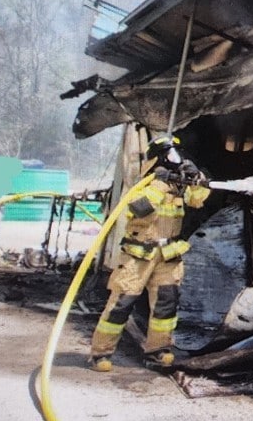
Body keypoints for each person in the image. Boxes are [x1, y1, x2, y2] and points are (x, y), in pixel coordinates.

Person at [89, 135, 211, 372]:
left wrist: (197, 177)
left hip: (168, 254)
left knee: (166, 305)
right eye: (169, 155)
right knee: (121, 303)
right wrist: (160, 183)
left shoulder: (178, 185)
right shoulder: (143, 183)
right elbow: (139, 208)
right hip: (138, 255)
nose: (174, 160)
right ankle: (100, 354)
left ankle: (158, 351)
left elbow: (198, 200)